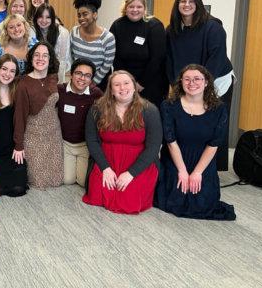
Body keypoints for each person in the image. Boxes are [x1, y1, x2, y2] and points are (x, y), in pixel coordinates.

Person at [155, 65, 236, 220]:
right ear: (181, 82)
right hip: (176, 158)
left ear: (206, 82)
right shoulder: (168, 106)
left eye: (197, 79)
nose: (192, 83)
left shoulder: (219, 109)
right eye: (187, 79)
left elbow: (214, 145)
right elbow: (171, 142)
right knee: (175, 201)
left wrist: (197, 172)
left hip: (203, 160)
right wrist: (182, 171)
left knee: (202, 203)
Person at [166, 0, 234, 171]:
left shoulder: (213, 27)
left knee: (212, 123)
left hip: (216, 80)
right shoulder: (172, 29)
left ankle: (212, 170)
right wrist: (176, 84)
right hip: (187, 82)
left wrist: (202, 86)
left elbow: (217, 58)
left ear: (198, 4)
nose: (187, 5)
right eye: (183, 2)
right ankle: (185, 164)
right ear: (177, 5)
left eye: (191, 2)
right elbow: (169, 59)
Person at [82, 70, 161, 214]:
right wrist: (105, 168)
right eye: (117, 85)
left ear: (134, 86)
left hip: (139, 163)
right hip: (106, 161)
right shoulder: (97, 108)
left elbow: (153, 147)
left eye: (126, 83)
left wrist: (131, 173)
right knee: (98, 195)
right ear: (111, 90)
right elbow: (92, 140)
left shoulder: (150, 110)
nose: (122, 88)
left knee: (129, 199)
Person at [13, 42, 62, 189]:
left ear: (50, 59)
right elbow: (19, 116)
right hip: (34, 136)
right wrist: (18, 145)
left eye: (45, 55)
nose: (41, 58)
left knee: (58, 180)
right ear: (31, 58)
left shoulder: (54, 77)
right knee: (37, 182)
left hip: (54, 134)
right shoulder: (23, 83)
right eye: (37, 55)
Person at [110, 0, 167, 107]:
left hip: (151, 81)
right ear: (125, 8)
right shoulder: (118, 25)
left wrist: (140, 84)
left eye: (139, 7)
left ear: (144, 9)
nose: (135, 10)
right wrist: (125, 82)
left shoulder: (154, 26)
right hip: (125, 82)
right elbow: (114, 56)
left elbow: (157, 58)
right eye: (131, 7)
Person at [0, 54, 28, 197]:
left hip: (11, 150)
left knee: (18, 189)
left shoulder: (18, 91)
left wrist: (19, 146)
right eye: (4, 69)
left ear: (16, 74)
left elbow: (21, 120)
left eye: (12, 71)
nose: (7, 74)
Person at [57, 59, 103, 187]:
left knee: (84, 182)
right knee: (67, 180)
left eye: (87, 76)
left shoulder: (96, 95)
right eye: (78, 73)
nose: (82, 78)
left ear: (91, 79)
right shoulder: (60, 90)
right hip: (65, 144)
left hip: (85, 145)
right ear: (71, 74)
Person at [70, 0, 115, 90]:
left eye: (85, 14)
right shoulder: (74, 32)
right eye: (79, 15)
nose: (81, 18)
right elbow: (72, 57)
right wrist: (77, 79)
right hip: (77, 82)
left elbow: (106, 65)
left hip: (98, 85)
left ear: (95, 15)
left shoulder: (108, 38)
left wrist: (91, 83)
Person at [32, 3, 71, 82]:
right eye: (41, 17)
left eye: (48, 17)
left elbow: (62, 62)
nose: (44, 20)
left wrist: (57, 84)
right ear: (36, 18)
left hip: (55, 72)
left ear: (52, 18)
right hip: (36, 71)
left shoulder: (62, 33)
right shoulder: (32, 30)